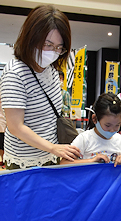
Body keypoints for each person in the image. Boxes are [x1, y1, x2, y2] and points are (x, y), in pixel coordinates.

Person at [0, 5, 80, 170]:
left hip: (50, 156)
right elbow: (15, 126)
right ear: (31, 38)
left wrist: (54, 149)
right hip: (24, 161)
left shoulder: (50, 70)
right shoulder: (15, 72)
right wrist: (52, 147)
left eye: (59, 47)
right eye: (48, 44)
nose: (53, 52)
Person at [60, 93, 121, 167]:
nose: (112, 130)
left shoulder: (119, 140)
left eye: (117, 125)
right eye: (107, 125)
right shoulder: (84, 139)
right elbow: (63, 163)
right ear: (95, 119)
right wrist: (91, 161)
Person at [0, 100, 6, 167]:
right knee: (0, 147)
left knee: (3, 146)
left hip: (3, 127)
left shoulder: (3, 103)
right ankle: (2, 160)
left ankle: (5, 161)